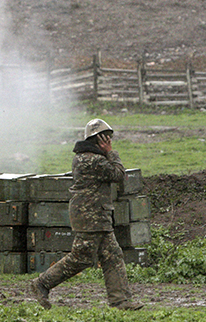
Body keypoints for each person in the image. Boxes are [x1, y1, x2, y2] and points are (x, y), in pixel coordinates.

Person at [30, 119, 144, 311]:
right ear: (98, 139)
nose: (109, 140)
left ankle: (121, 302)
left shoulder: (85, 157)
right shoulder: (94, 159)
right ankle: (42, 283)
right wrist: (111, 153)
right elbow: (118, 174)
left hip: (97, 216)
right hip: (90, 217)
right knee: (81, 258)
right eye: (106, 137)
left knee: (113, 256)